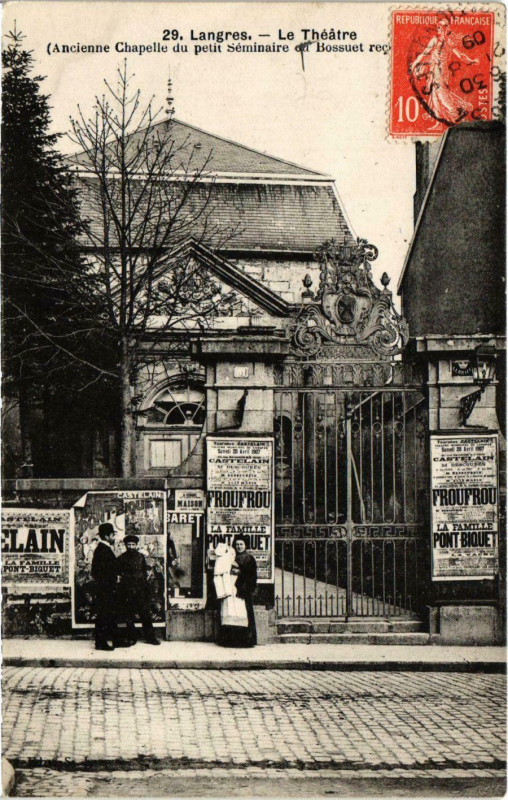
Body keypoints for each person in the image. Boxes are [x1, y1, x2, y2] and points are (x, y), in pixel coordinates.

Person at [116, 534, 161, 645]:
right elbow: (118, 575)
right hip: (127, 591)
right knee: (129, 616)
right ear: (126, 545)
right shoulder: (121, 558)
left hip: (141, 590)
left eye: (133, 544)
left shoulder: (141, 557)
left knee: (145, 615)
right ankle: (132, 638)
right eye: (129, 545)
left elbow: (144, 573)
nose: (131, 547)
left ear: (136, 545)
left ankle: (150, 638)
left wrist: (145, 588)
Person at [215, 535, 258, 648]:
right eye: (237, 544)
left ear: (245, 545)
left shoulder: (249, 558)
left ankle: (244, 640)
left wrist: (240, 573)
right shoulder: (231, 556)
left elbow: (252, 575)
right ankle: (229, 640)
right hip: (232, 590)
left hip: (242, 590)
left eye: (241, 544)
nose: (239, 546)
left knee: (242, 613)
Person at [91, 522, 120, 651]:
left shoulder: (102, 549)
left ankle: (114, 640)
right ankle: (100, 642)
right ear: (108, 536)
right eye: (113, 535)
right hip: (105, 589)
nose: (114, 537)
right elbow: (99, 572)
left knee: (107, 614)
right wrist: (113, 580)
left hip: (105, 588)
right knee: (103, 615)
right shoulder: (103, 550)